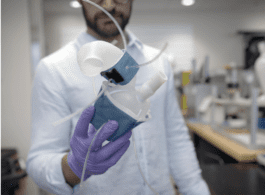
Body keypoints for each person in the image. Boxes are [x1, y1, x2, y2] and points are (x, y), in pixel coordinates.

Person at [26, 0, 211, 194]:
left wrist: (196, 190)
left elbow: (176, 138)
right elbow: (39, 161)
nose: (107, 5)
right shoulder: (54, 69)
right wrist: (75, 166)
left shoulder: (158, 62)